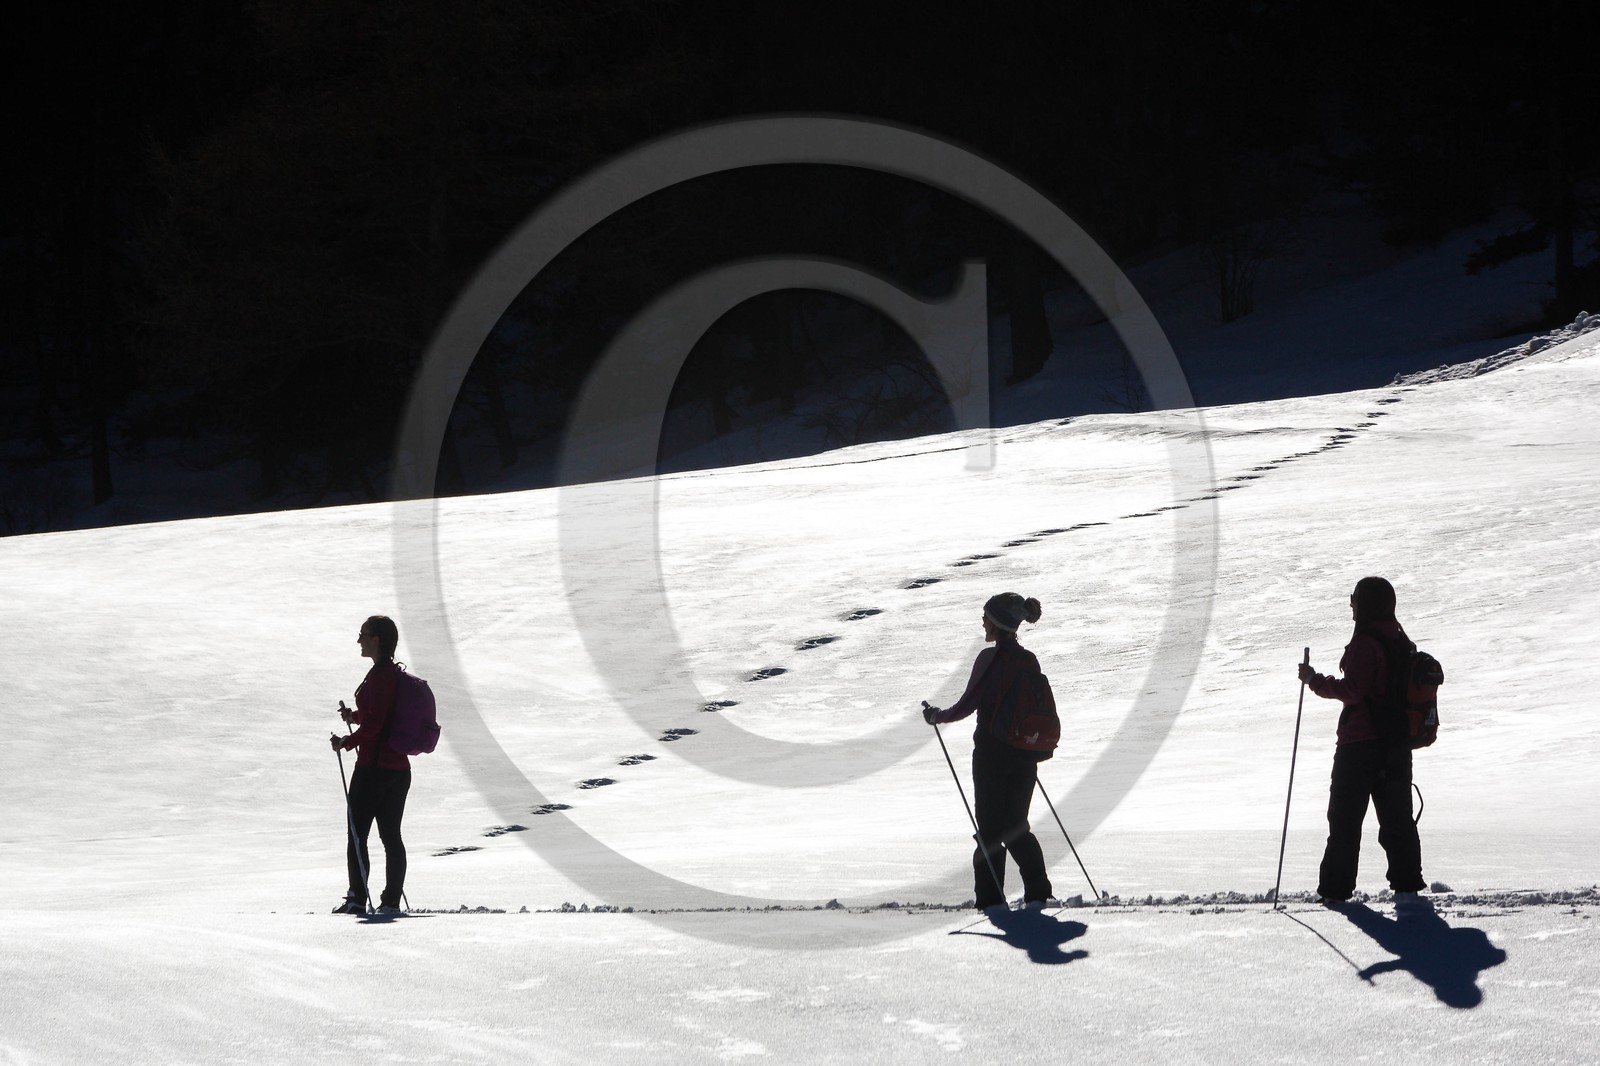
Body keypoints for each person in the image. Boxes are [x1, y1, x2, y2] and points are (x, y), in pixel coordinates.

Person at [1297, 577, 1427, 907]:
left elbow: (1353, 690)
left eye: (1354, 598)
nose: (1351, 605)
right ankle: (1408, 890)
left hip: (1359, 746)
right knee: (1397, 819)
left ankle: (1335, 892)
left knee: (1344, 820)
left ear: (1366, 603)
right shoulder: (1400, 640)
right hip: (1396, 746)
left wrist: (1313, 680)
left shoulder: (1366, 643)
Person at [922, 592, 1054, 910]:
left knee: (990, 830)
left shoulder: (989, 659)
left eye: (986, 617)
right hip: (1025, 754)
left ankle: (991, 900)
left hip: (991, 756)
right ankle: (1038, 892)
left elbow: (966, 706)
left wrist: (936, 716)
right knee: (1016, 826)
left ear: (996, 623)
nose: (982, 622)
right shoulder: (1028, 660)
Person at [330, 615, 411, 915]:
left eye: (363, 635)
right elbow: (379, 717)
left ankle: (357, 899)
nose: (359, 640)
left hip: (373, 769)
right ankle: (390, 901)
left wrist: (346, 742)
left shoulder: (379, 677)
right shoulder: (393, 675)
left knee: (357, 834)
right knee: (391, 836)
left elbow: (375, 725)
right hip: (398, 770)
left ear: (376, 640)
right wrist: (354, 717)